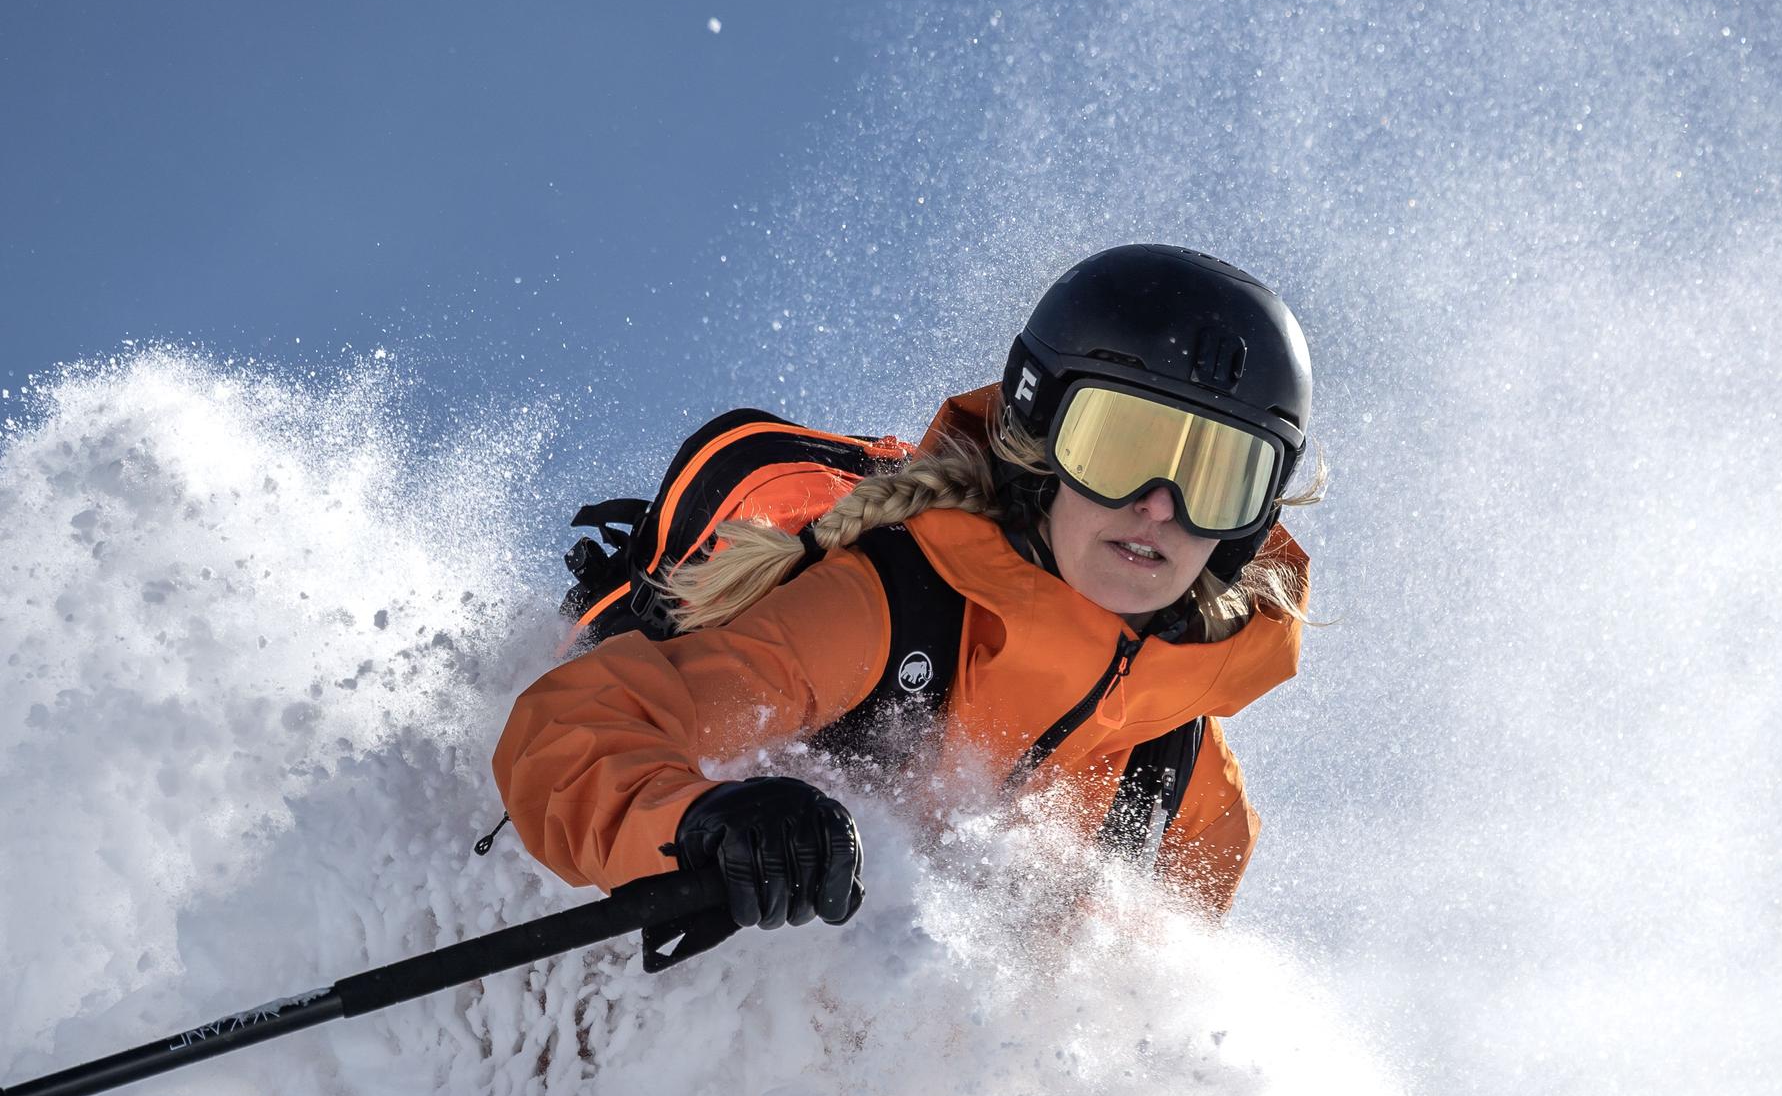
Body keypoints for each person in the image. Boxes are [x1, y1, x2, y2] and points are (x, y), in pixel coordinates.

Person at [494, 245, 1312, 934]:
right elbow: (569, 725)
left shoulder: (1184, 789)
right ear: (1040, 438)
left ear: (1250, 520)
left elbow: (1154, 1025)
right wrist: (705, 820)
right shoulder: (889, 608)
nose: (1160, 505)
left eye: (1217, 473)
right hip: (623, 956)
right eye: (1119, 443)